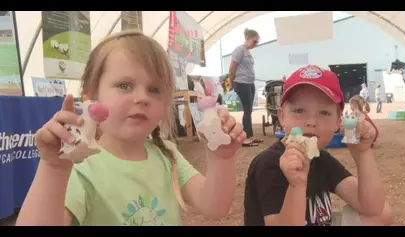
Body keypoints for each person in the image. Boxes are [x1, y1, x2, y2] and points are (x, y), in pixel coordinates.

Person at [16, 31, 246, 226]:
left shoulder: (165, 152)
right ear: (90, 96)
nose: (142, 98)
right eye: (124, 85)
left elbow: (215, 207)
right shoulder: (79, 166)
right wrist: (54, 169)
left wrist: (221, 159)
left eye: (154, 89)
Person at [243, 65, 392, 226]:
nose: (311, 122)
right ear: (281, 116)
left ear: (338, 122)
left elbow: (372, 207)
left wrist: (362, 153)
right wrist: (297, 185)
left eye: (324, 113)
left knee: (383, 214)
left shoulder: (321, 159)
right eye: (299, 110)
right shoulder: (270, 164)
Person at [229, 28, 263, 147]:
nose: (255, 44)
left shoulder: (248, 52)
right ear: (248, 39)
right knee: (247, 110)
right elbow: (232, 67)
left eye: (257, 42)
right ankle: (246, 137)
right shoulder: (239, 50)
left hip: (249, 83)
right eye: (254, 42)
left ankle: (250, 135)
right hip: (241, 82)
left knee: (249, 110)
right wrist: (231, 81)